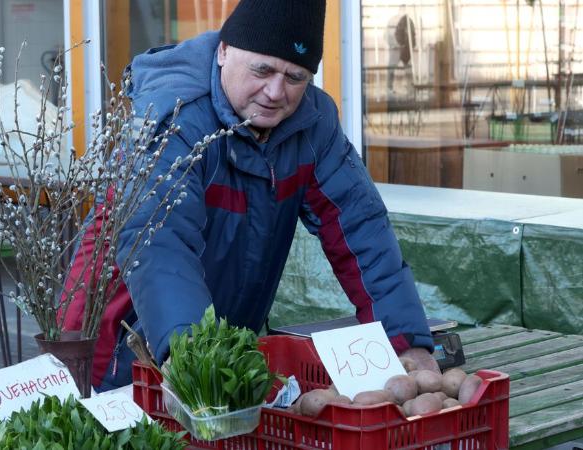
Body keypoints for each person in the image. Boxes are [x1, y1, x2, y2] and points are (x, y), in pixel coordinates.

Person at [63, 0, 438, 392]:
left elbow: (361, 228)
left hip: (219, 345)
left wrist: (404, 340)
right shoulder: (173, 118)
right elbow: (160, 244)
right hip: (118, 340)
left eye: (295, 76)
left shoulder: (313, 125)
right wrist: (195, 358)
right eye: (263, 70)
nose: (276, 92)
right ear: (224, 51)